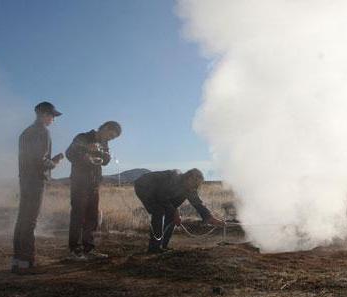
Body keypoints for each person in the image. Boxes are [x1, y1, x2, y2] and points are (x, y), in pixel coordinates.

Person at [12, 101, 64, 274]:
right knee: (30, 221)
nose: (53, 120)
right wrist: (54, 162)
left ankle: (18, 260)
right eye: (51, 116)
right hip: (35, 181)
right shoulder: (43, 131)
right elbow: (40, 161)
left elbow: (30, 158)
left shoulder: (25, 132)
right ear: (43, 115)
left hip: (25, 181)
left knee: (22, 220)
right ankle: (26, 262)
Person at [65, 121, 121, 260]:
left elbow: (106, 161)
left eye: (113, 138)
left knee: (92, 217)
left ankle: (88, 249)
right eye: (111, 135)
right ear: (105, 128)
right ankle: (75, 250)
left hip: (94, 184)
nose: (110, 139)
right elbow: (69, 153)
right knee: (78, 216)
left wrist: (105, 155)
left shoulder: (104, 144)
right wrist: (86, 151)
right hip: (80, 183)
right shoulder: (83, 137)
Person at [134, 168, 224, 253]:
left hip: (158, 193)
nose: (196, 187)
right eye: (195, 184)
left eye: (197, 185)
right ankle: (154, 248)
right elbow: (161, 196)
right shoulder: (174, 178)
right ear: (189, 177)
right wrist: (174, 211)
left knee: (171, 214)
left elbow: (197, 203)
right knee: (158, 211)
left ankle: (163, 245)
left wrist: (209, 217)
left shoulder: (189, 188)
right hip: (144, 186)